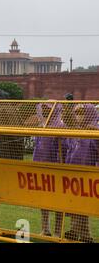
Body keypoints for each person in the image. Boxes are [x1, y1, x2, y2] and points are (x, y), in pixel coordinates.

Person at [64, 104, 98, 243]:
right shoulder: (75, 131)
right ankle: (84, 235)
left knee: (82, 205)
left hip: (88, 175)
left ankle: (78, 231)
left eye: (81, 112)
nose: (78, 115)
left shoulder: (94, 131)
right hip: (73, 174)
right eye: (77, 112)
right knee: (75, 204)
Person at [33, 102, 64, 237]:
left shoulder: (61, 126)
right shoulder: (41, 125)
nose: (45, 111)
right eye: (44, 108)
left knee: (58, 202)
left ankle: (57, 231)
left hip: (56, 168)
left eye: (48, 109)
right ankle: (45, 228)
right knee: (43, 200)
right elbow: (37, 147)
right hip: (42, 168)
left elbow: (63, 148)